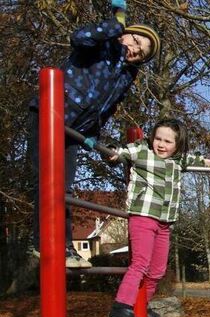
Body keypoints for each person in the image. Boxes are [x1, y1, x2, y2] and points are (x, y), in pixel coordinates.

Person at [27, 0, 161, 268]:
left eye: (142, 52)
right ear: (125, 33)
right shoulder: (102, 46)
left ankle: (64, 247)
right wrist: (114, 25)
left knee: (64, 188)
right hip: (49, 116)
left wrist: (93, 136)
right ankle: (40, 242)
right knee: (46, 182)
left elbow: (107, 106)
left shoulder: (127, 74)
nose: (135, 50)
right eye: (135, 40)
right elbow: (79, 37)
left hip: (74, 131)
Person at [108, 119, 210, 317]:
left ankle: (143, 304)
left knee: (158, 270)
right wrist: (113, 153)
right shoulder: (142, 150)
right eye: (158, 138)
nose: (161, 144)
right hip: (143, 215)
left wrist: (206, 161)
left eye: (168, 141)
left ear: (176, 145)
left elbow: (191, 159)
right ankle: (121, 306)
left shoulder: (177, 161)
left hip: (165, 222)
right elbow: (122, 152)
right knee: (140, 263)